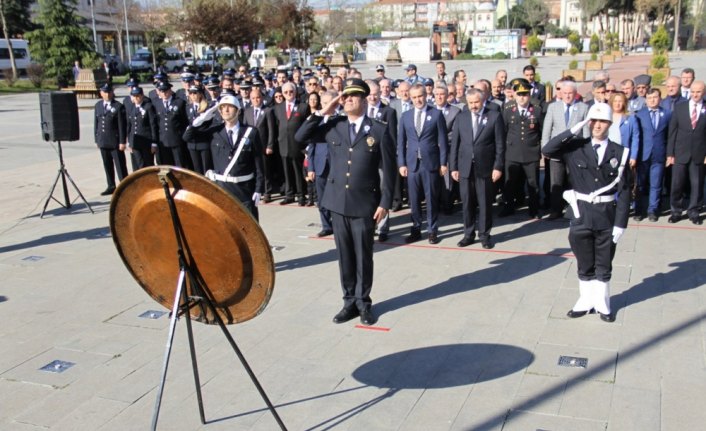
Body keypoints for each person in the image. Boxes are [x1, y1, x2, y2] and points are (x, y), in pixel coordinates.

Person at [294, 79, 396, 326]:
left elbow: (390, 170)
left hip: (365, 204)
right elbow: (300, 136)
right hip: (338, 203)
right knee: (345, 256)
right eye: (345, 96)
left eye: (353, 96)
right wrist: (324, 111)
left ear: (363, 99)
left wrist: (385, 202)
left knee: (363, 256)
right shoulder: (334, 126)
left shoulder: (378, 129)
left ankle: (363, 303)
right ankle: (348, 301)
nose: (348, 100)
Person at [543, 103, 631, 323]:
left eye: (602, 121)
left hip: (606, 215)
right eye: (594, 121)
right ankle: (585, 300)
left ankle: (602, 303)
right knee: (584, 261)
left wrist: (621, 224)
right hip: (581, 213)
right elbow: (548, 149)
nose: (597, 125)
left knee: (604, 262)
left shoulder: (619, 152)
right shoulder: (575, 148)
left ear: (610, 124)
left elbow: (626, 191)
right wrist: (575, 128)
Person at [184, 95, 264, 220]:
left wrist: (259, 188)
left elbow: (259, 162)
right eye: (223, 108)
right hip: (222, 189)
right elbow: (187, 137)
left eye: (230, 107)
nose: (226, 110)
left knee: (249, 230)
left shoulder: (251, 132)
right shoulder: (215, 132)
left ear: (238, 111)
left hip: (244, 189)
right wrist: (200, 120)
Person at [450, 88, 506, 249]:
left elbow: (500, 145)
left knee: (485, 203)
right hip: (465, 167)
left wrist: (498, 166)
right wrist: (453, 167)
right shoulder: (461, 117)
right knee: (467, 203)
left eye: (476, 102)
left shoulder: (494, 116)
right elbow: (455, 144)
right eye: (471, 103)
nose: (474, 106)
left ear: (483, 100)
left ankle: (485, 235)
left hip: (486, 168)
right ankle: (468, 234)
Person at [397, 83, 448, 244]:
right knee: (413, 199)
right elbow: (401, 142)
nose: (418, 100)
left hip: (430, 163)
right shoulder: (405, 116)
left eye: (420, 96)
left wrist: (443, 163)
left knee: (431, 198)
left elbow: (443, 141)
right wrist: (402, 163)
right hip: (412, 164)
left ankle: (432, 230)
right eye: (414, 97)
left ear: (426, 95)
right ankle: (416, 228)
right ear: (410, 98)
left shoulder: (436, 114)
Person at [541, 80, 589, 219]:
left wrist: (586, 151)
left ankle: (573, 210)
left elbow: (586, 132)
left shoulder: (583, 108)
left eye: (570, 93)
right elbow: (547, 129)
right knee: (556, 182)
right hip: (556, 152)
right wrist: (545, 149)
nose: (567, 96)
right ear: (560, 93)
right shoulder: (553, 107)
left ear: (575, 94)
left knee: (573, 180)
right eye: (565, 93)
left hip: (575, 152)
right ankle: (555, 210)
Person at [500, 80, 544, 219]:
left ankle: (534, 209)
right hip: (512, 153)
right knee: (510, 182)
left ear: (529, 94)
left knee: (533, 184)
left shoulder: (536, 110)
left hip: (531, 153)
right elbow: (503, 131)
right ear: (514, 95)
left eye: (525, 94)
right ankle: (508, 207)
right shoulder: (508, 110)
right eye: (519, 94)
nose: (522, 97)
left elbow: (541, 131)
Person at [666, 80, 706, 225]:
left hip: (699, 154)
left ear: (704, 92)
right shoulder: (680, 107)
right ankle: (676, 211)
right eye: (693, 92)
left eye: (699, 92)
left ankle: (694, 212)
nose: (695, 94)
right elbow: (672, 132)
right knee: (677, 184)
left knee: (697, 184)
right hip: (680, 153)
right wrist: (670, 154)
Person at [366, 80, 398, 242]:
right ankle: (370, 225)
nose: (372, 97)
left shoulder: (388, 112)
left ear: (380, 94)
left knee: (383, 191)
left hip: (381, 160)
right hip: (365, 161)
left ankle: (383, 227)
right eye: (370, 94)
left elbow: (392, 138)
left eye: (375, 94)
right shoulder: (362, 110)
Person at [270, 82, 310, 205]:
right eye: (286, 92)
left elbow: (307, 127)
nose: (289, 94)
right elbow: (276, 126)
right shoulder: (278, 108)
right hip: (283, 145)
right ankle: (289, 195)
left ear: (295, 92)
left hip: (297, 146)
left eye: (291, 92)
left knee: (298, 172)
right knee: (286, 172)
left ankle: (301, 195)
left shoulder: (303, 107)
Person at [634, 88, 671, 222]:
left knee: (656, 185)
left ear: (660, 98)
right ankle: (639, 210)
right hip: (643, 155)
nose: (652, 100)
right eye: (650, 98)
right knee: (640, 184)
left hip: (659, 155)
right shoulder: (639, 114)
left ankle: (652, 210)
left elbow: (669, 136)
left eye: (655, 97)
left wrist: (669, 154)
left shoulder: (667, 114)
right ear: (646, 100)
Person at [305, 90, 338, 237]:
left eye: (329, 103)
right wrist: (310, 168)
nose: (326, 106)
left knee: (336, 197)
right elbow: (311, 146)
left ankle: (338, 224)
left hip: (336, 166)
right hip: (319, 165)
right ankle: (326, 225)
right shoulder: (316, 121)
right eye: (324, 103)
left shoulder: (341, 119)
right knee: (322, 198)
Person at [243, 88, 277, 203]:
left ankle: (267, 192)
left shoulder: (268, 111)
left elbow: (271, 130)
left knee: (265, 170)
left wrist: (270, 145)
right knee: (254, 169)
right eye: (253, 98)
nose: (256, 100)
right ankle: (256, 190)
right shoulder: (247, 111)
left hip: (263, 145)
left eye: (258, 97)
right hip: (250, 146)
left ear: (262, 98)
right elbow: (244, 129)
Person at [432, 83, 461, 215]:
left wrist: (441, 142)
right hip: (432, 150)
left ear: (447, 95)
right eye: (436, 94)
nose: (439, 97)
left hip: (448, 149)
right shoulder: (429, 109)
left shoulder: (455, 111)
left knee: (446, 178)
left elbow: (454, 134)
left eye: (442, 94)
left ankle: (447, 203)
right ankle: (434, 204)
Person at [94, 83, 128, 195]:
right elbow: (97, 123)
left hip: (115, 141)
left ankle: (124, 185)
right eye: (105, 92)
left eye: (109, 92)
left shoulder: (118, 106)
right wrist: (97, 139)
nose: (107, 94)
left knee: (120, 165)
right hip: (103, 140)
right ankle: (111, 185)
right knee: (107, 164)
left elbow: (121, 126)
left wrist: (122, 141)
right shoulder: (98, 105)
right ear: (101, 93)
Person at [154, 81, 190, 167]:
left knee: (179, 165)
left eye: (166, 90)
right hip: (163, 141)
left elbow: (185, 121)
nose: (164, 93)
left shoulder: (179, 102)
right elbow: (156, 122)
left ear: (170, 90)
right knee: (166, 166)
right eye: (162, 91)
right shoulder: (156, 104)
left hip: (176, 139)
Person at [125, 86, 158, 171]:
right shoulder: (131, 108)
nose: (136, 98)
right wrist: (129, 141)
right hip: (135, 141)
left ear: (142, 96)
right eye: (134, 96)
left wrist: (154, 143)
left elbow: (152, 125)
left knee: (148, 163)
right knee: (138, 164)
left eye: (138, 96)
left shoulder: (148, 107)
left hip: (146, 141)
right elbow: (129, 125)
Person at [184, 85, 213, 175]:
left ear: (200, 94)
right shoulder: (188, 107)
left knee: (206, 168)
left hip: (203, 142)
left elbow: (208, 125)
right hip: (192, 143)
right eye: (191, 93)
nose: (193, 95)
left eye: (195, 93)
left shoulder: (207, 107)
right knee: (196, 169)